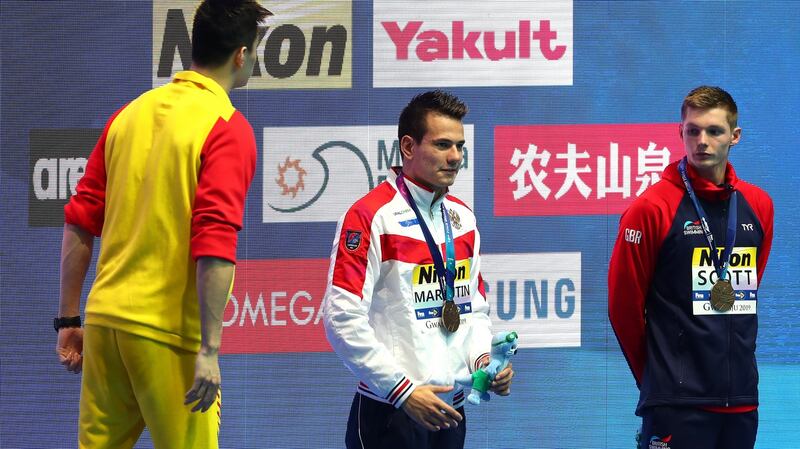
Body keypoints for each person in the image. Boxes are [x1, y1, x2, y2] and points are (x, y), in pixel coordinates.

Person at [54, 1, 271, 448]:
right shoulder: (228, 127)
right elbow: (214, 243)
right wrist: (209, 350)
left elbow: (79, 221)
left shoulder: (128, 113)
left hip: (105, 326)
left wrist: (69, 319)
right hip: (167, 336)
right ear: (240, 56)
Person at [322, 90, 514, 449]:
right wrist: (403, 391)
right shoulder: (370, 215)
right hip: (391, 412)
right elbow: (340, 317)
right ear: (408, 147)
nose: (455, 157)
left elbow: (472, 311)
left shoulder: (462, 218)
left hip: (450, 413)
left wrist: (484, 364)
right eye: (442, 145)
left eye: (459, 146)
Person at [608, 86, 774, 449]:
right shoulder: (651, 208)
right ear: (679, 132)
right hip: (676, 403)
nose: (702, 141)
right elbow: (623, 308)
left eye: (714, 131)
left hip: (742, 401)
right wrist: (657, 379)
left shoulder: (758, 206)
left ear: (735, 136)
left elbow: (745, 292)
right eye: (692, 130)